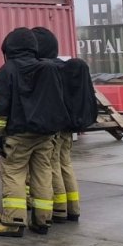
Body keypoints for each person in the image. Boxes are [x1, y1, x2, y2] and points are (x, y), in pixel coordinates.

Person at [0, 28, 68, 237]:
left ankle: (13, 222)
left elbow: (2, 106)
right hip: (45, 135)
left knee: (14, 173)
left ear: (8, 48)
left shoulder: (9, 70)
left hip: (18, 134)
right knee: (42, 174)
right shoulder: (49, 69)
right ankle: (42, 220)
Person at [32, 27, 95, 223]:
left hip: (54, 127)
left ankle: (59, 209)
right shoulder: (64, 66)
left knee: (51, 165)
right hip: (68, 127)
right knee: (65, 164)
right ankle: (73, 208)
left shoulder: (44, 69)